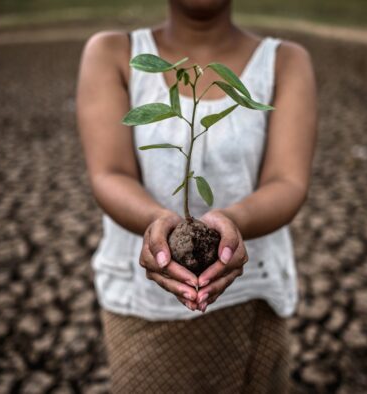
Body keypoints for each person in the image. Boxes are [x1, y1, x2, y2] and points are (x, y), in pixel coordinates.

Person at [76, 0, 317, 391]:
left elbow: (288, 181)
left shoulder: (285, 61)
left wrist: (234, 222)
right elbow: (109, 173)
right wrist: (158, 223)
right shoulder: (113, 52)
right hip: (146, 307)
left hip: (252, 294)